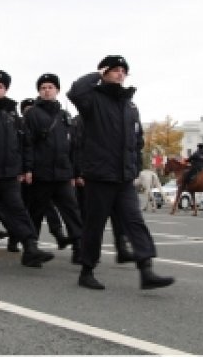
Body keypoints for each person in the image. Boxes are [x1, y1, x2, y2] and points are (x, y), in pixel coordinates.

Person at [67, 56, 173, 291]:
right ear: (104, 73)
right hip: (100, 176)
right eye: (114, 70)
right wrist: (96, 74)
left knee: (135, 221)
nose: (119, 74)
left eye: (123, 70)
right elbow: (75, 92)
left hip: (124, 177)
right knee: (94, 225)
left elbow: (136, 141)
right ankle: (87, 270)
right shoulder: (92, 99)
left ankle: (146, 270)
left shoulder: (129, 105)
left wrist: (134, 168)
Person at [0, 70, 54, 268]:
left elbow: (22, 142)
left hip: (10, 174)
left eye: (0, 87)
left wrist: (23, 169)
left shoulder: (12, 112)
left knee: (18, 210)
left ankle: (30, 248)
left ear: (6, 89)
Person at [22, 74, 83, 262]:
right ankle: (30, 252)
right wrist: (28, 169)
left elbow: (72, 145)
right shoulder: (32, 114)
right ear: (39, 91)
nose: (47, 90)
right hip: (41, 173)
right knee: (36, 213)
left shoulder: (65, 115)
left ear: (57, 90)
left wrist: (75, 172)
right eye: (43, 88)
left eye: (50, 87)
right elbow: (27, 143)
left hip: (63, 173)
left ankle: (79, 249)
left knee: (72, 212)